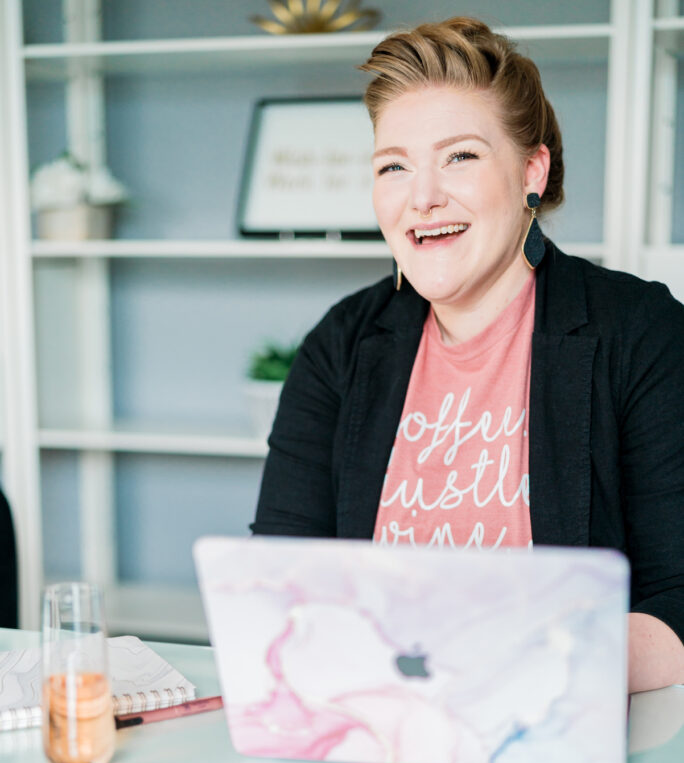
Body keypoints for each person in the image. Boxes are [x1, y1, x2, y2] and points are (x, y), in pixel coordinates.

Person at [251, 17, 684, 694]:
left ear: (530, 172)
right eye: (393, 166)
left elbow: (678, 599)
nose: (422, 197)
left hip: (564, 746)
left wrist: (513, 668)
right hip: (376, 736)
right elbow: (277, 583)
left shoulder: (640, 331)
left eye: (460, 156)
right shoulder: (341, 345)